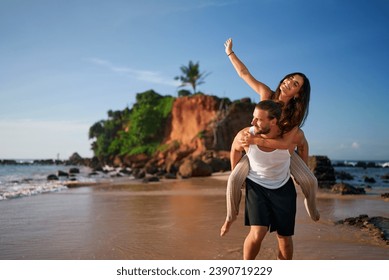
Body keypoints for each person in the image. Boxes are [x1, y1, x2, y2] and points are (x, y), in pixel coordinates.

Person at [221, 38, 319, 237]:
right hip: (256, 151)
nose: (287, 84)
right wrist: (230, 53)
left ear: (298, 94)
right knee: (233, 181)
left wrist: (303, 165)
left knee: (310, 181)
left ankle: (311, 205)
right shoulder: (266, 94)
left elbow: (290, 143)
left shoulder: (294, 115)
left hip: (282, 152)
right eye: (288, 79)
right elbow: (244, 74)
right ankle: (231, 216)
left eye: (294, 84)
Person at [234, 100, 297, 259]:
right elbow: (235, 149)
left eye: (258, 119)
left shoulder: (289, 137)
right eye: (253, 117)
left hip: (284, 188)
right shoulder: (247, 134)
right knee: (257, 232)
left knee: (284, 237)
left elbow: (302, 145)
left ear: (273, 121)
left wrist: (303, 172)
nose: (252, 122)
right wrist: (235, 174)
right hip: (256, 186)